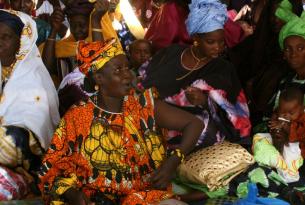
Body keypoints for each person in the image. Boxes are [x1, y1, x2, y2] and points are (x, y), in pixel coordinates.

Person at [39, 38, 204, 205]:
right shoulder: (77, 116)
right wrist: (72, 194)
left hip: (145, 197)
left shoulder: (143, 105)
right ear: (99, 78)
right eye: (118, 70)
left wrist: (173, 161)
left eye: (127, 67)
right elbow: (53, 168)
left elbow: (195, 124)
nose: (127, 75)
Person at [142, 0, 251, 149]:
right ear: (196, 39)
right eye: (211, 42)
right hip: (149, 117)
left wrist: (205, 101)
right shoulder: (173, 52)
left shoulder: (222, 68)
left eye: (221, 42)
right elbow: (143, 77)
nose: (217, 48)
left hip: (188, 131)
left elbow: (236, 112)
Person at [0, 9, 59, 199]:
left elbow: (25, 141)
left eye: (6, 37)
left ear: (22, 40)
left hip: (25, 164)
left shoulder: (36, 83)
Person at [40, 0, 119, 83]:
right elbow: (47, 68)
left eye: (82, 25)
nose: (77, 30)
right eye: (73, 26)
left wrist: (96, 20)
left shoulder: (107, 44)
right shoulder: (64, 47)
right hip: (69, 95)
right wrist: (54, 30)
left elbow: (100, 65)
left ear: (91, 24)